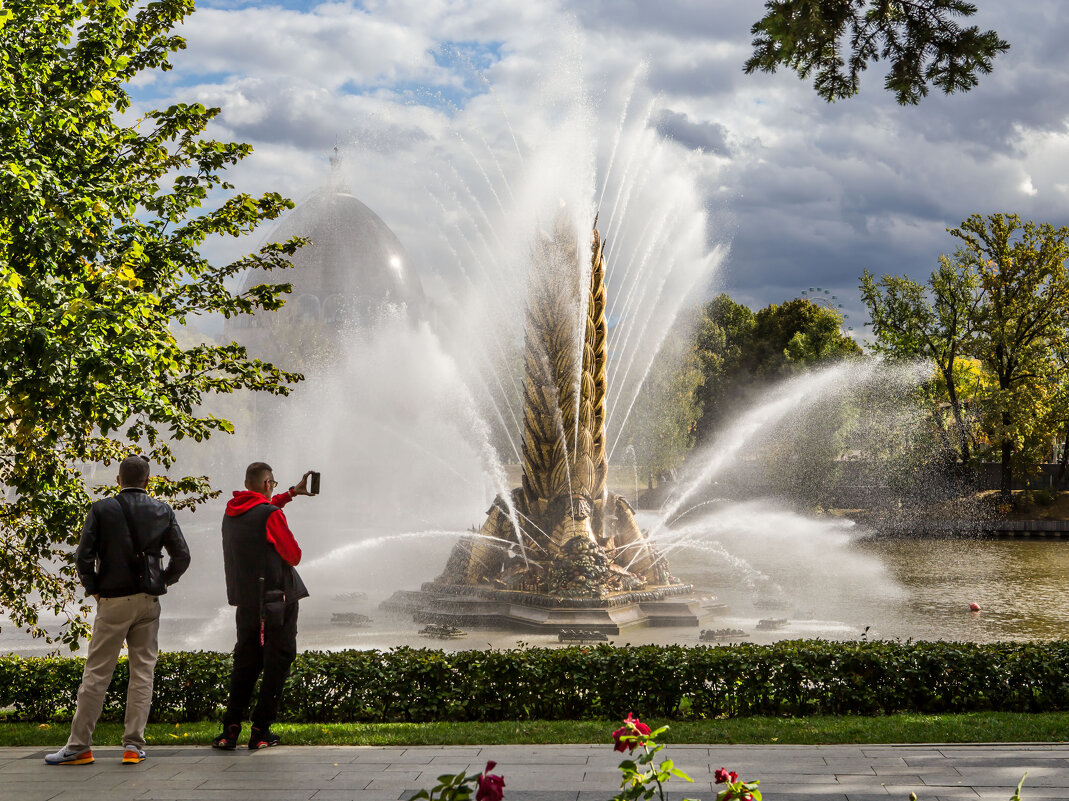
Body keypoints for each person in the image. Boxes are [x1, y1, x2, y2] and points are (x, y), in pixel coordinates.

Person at [45, 455, 190, 766]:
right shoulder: (162, 510)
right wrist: (161, 581)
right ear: (148, 482)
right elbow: (182, 557)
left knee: (97, 673)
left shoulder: (101, 509)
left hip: (112, 600)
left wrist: (95, 589)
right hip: (148, 601)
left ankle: (79, 746)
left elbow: (83, 558)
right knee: (142, 673)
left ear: (118, 480)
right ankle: (133, 746)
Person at [212, 462, 314, 750]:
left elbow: (259, 512)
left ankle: (229, 730)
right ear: (268, 483)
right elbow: (293, 556)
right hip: (277, 604)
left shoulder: (232, 512)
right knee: (277, 665)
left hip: (248, 604)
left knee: (245, 664)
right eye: (275, 484)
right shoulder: (270, 515)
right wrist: (282, 504)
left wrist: (292, 493)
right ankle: (260, 731)